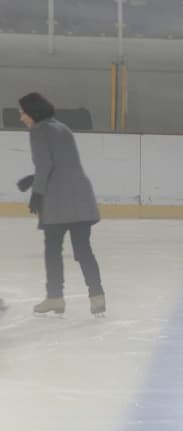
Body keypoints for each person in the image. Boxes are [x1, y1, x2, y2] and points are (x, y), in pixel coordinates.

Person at [18, 92, 106, 317]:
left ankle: (55, 297)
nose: (21, 118)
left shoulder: (38, 132)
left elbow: (46, 164)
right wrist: (33, 178)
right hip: (81, 198)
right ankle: (97, 297)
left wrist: (36, 193)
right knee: (83, 250)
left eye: (23, 113)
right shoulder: (62, 127)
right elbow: (63, 163)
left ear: (33, 113)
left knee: (53, 251)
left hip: (58, 202)